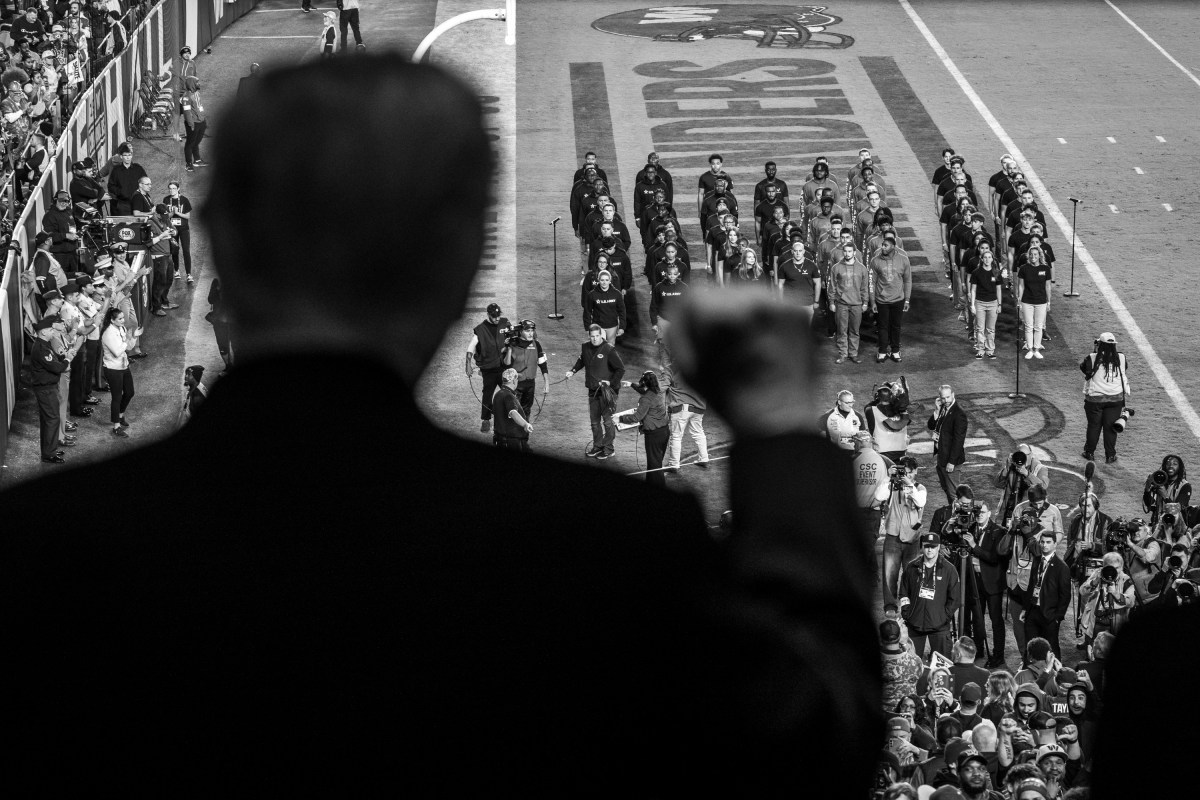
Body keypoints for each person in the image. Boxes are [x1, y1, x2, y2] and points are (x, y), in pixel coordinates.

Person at [0, 57, 882, 794]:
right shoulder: (603, 545)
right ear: (462, 263)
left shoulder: (42, 558)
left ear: (218, 243)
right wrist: (776, 426)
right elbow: (817, 743)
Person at [565, 324, 624, 460]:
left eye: (597, 336)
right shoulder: (585, 347)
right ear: (589, 336)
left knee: (608, 422)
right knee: (594, 422)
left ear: (601, 335)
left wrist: (611, 383)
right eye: (592, 336)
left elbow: (620, 369)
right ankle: (597, 446)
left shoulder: (609, 349)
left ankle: (609, 448)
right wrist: (572, 371)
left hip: (608, 391)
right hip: (593, 390)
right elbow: (582, 361)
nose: (595, 339)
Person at [900, 532, 959, 660]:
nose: (929, 549)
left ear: (938, 547)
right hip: (914, 623)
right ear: (922, 547)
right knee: (910, 665)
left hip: (939, 626)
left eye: (933, 546)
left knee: (942, 671)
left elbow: (954, 599)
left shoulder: (949, 569)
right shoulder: (912, 567)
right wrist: (907, 613)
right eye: (927, 546)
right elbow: (903, 592)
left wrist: (944, 617)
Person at [877, 456, 926, 608]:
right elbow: (879, 497)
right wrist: (887, 478)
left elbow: (920, 502)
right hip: (893, 535)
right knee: (889, 573)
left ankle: (909, 605)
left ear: (916, 471)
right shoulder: (892, 485)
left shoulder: (919, 488)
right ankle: (890, 606)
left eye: (910, 472)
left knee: (911, 574)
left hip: (912, 538)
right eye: (904, 472)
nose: (907, 475)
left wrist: (909, 484)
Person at [1020, 529, 1072, 658]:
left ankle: (1056, 675)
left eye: (1048, 542)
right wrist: (1025, 609)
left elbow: (1065, 596)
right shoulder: (1037, 560)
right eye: (1042, 542)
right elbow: (1031, 586)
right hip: (1033, 611)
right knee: (1030, 646)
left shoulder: (1062, 567)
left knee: (1051, 648)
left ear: (1055, 544)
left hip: (1049, 615)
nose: (1044, 545)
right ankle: (1029, 673)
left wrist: (1057, 617)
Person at [1080, 332, 1128, 464]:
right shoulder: (1122, 358)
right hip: (1115, 399)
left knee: (1094, 426)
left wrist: (1095, 351)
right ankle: (1110, 455)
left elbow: (1085, 369)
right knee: (1111, 428)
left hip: (1095, 400)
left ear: (1099, 344)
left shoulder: (1092, 357)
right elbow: (1124, 370)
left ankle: (1089, 453)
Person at [29, 315, 72, 463]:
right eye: (50, 330)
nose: (53, 332)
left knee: (49, 420)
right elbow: (57, 368)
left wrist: (61, 359)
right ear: (43, 332)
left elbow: (53, 363)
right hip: (46, 389)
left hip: (47, 388)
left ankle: (49, 450)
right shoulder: (42, 349)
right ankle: (49, 454)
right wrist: (66, 360)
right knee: (52, 419)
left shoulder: (43, 345)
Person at [464, 302, 511, 434]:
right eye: (494, 316)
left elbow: (513, 336)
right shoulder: (480, 329)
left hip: (503, 368)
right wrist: (467, 365)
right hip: (488, 370)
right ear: (488, 315)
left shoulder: (505, 323)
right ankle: (486, 420)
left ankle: (509, 418)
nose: (497, 318)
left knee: (509, 394)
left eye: (498, 315)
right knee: (487, 394)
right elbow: (470, 348)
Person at [619, 371, 669, 486]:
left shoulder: (645, 399)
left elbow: (637, 417)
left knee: (654, 465)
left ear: (644, 383)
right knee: (656, 462)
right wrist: (632, 385)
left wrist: (620, 419)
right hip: (665, 432)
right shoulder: (659, 390)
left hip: (654, 435)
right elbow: (646, 392)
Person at [868, 231, 911, 363]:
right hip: (881, 301)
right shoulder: (875, 261)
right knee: (882, 326)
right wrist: (872, 301)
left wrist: (907, 299)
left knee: (896, 326)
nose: (883, 247)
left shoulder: (904, 260)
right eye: (882, 245)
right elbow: (871, 283)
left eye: (886, 245)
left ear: (893, 246)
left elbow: (908, 280)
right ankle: (882, 351)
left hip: (898, 299)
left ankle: (895, 351)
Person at [663, 363, 708, 473]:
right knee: (698, 433)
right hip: (699, 407)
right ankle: (704, 458)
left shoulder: (672, 369)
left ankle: (673, 464)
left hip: (681, 407)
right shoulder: (699, 369)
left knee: (676, 436)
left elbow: (662, 386)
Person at [928, 384, 968, 508]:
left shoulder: (958, 414)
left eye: (948, 397)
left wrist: (952, 462)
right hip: (942, 457)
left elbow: (958, 441)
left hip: (951, 461)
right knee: (947, 489)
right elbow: (931, 426)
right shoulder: (943, 409)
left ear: (953, 395)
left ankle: (962, 517)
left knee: (955, 494)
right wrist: (936, 410)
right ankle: (954, 513)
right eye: (943, 398)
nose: (945, 401)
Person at [500, 319, 548, 422]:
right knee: (514, 410)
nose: (531, 333)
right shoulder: (514, 344)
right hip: (515, 385)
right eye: (527, 331)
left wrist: (546, 383)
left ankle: (524, 431)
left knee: (527, 409)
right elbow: (506, 364)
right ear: (521, 331)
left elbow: (543, 364)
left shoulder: (536, 344)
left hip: (530, 384)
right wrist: (508, 349)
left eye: (532, 331)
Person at [99, 305, 136, 437]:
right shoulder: (108, 333)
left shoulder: (121, 328)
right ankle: (116, 426)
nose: (122, 320)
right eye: (120, 319)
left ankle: (120, 415)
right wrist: (126, 340)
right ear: (112, 320)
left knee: (130, 392)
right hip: (112, 369)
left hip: (123, 366)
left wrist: (134, 337)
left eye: (122, 318)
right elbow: (117, 352)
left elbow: (128, 347)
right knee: (117, 397)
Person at [829, 241, 868, 364]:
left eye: (850, 251)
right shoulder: (836, 268)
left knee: (855, 331)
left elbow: (864, 287)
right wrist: (831, 302)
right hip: (841, 304)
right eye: (845, 251)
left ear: (854, 252)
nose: (847, 253)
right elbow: (832, 286)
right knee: (841, 330)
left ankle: (853, 354)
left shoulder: (862, 268)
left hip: (857, 304)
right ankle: (843, 354)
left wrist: (865, 302)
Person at [145, 203, 178, 316]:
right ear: (157, 214)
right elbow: (148, 243)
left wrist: (173, 232)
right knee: (160, 282)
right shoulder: (150, 223)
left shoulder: (166, 219)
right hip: (158, 256)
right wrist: (161, 236)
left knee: (169, 279)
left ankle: (164, 302)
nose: (166, 218)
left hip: (167, 255)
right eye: (163, 216)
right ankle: (156, 307)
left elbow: (174, 229)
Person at [1141, 454, 1190, 525]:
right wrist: (1147, 489)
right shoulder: (1159, 482)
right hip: (1158, 525)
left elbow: (1179, 509)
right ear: (1164, 466)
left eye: (1175, 464)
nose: (1171, 466)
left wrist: (1165, 496)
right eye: (1168, 464)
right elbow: (1149, 504)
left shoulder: (1185, 486)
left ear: (1179, 467)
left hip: (1175, 527)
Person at [491, 368, 532, 452]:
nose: (517, 381)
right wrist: (525, 424)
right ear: (513, 381)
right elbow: (513, 412)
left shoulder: (498, 394)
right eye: (517, 379)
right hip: (511, 442)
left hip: (500, 439)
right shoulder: (508, 396)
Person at [164, 181, 194, 283]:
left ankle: (189, 274)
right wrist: (172, 213)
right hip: (172, 229)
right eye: (170, 188)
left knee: (186, 250)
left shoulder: (184, 200)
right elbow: (165, 216)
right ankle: (176, 270)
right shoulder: (166, 200)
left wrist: (177, 213)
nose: (171, 190)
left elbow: (188, 216)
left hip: (183, 228)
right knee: (175, 249)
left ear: (178, 189)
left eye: (173, 188)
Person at [180, 75, 207, 171]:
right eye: (197, 82)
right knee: (190, 143)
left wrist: (204, 120)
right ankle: (188, 164)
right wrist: (191, 124)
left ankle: (197, 160)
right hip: (193, 124)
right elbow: (187, 113)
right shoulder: (186, 97)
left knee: (197, 142)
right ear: (191, 84)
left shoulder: (197, 93)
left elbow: (200, 107)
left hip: (201, 122)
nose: (199, 84)